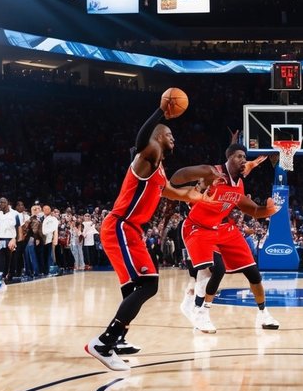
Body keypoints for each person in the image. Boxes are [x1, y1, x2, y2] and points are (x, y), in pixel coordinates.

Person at [86, 105, 207, 371]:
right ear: (157, 137)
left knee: (132, 288)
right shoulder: (148, 156)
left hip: (129, 230)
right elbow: (142, 140)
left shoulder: (159, 170)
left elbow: (173, 192)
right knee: (149, 284)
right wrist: (160, 112)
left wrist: (193, 194)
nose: (173, 137)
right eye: (168, 133)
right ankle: (103, 343)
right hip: (120, 226)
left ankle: (118, 340)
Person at [174, 143, 279, 333]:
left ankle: (264, 313)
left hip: (223, 228)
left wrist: (266, 211)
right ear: (229, 158)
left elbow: (252, 209)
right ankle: (201, 312)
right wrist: (196, 177)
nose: (244, 161)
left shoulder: (239, 183)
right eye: (239, 157)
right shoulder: (212, 173)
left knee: (253, 273)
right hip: (198, 228)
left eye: (244, 158)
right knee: (215, 270)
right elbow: (179, 176)